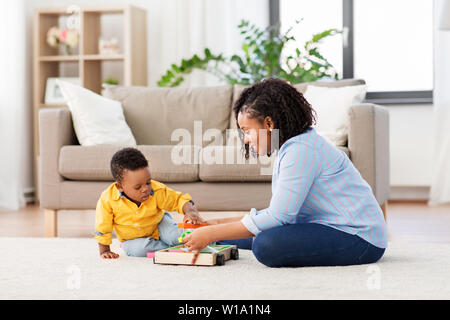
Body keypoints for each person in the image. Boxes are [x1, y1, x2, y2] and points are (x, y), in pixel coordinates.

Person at [183, 78, 387, 267]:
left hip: (359, 238)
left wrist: (211, 232)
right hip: (326, 226)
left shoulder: (301, 150)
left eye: (246, 130)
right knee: (227, 234)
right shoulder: (292, 147)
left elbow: (278, 217)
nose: (245, 139)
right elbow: (280, 213)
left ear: (269, 124)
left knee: (265, 245)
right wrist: (213, 225)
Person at [94, 147, 205, 258]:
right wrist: (104, 250)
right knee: (140, 251)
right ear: (120, 187)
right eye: (138, 187)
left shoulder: (156, 190)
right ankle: (177, 248)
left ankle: (205, 237)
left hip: (159, 223)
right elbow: (103, 226)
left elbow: (178, 199)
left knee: (175, 237)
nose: (145, 189)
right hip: (132, 239)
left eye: (148, 182)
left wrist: (190, 211)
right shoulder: (107, 200)